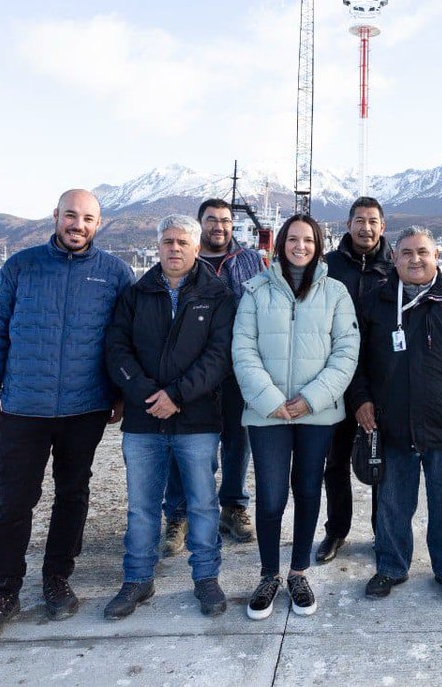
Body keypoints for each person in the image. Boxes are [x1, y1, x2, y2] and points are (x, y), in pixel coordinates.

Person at [0, 189, 134, 647]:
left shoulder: (115, 274)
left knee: (72, 496)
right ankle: (2, 594)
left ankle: (57, 578)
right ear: (55, 217)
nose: (77, 225)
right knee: (13, 503)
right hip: (24, 406)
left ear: (99, 224)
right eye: (70, 216)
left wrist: (119, 393)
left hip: (86, 407)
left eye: (87, 218)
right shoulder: (20, 267)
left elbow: (122, 340)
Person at [348, 226, 442, 604]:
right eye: (407, 253)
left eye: (423, 252)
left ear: (436, 257)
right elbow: (355, 358)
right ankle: (391, 567)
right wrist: (362, 399)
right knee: (393, 502)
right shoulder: (377, 303)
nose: (415, 259)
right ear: (394, 259)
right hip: (392, 423)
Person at [102, 215, 237, 620]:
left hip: (196, 419)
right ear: (156, 246)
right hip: (143, 421)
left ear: (197, 248)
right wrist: (147, 394)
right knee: (141, 506)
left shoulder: (218, 296)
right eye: (167, 241)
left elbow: (219, 357)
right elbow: (116, 349)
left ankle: (206, 579)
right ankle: (137, 580)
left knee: (202, 504)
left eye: (182, 242)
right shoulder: (135, 293)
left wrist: (177, 395)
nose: (174, 248)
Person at [231, 214, 359, 619]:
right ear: (280, 243)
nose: (300, 246)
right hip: (267, 413)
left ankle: (298, 571)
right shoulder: (254, 292)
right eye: (293, 239)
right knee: (270, 498)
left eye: (308, 240)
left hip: (316, 414)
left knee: (307, 492)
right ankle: (269, 573)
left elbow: (346, 352)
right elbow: (243, 350)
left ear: (318, 245)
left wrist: (311, 398)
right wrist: (270, 399)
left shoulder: (335, 293)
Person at [161, 198, 264, 554]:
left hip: (238, 368)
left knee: (239, 440)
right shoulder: (188, 258)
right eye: (211, 220)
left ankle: (233, 506)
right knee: (186, 443)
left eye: (225, 221)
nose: (218, 227)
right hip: (192, 370)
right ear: (199, 224)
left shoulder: (251, 260)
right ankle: (178, 513)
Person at [315, 196, 393, 564]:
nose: (366, 227)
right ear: (348, 225)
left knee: (382, 459)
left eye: (373, 221)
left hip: (381, 381)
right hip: (334, 379)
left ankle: (383, 530)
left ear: (383, 227)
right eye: (359, 220)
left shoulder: (395, 267)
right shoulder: (328, 266)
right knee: (336, 461)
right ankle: (336, 530)